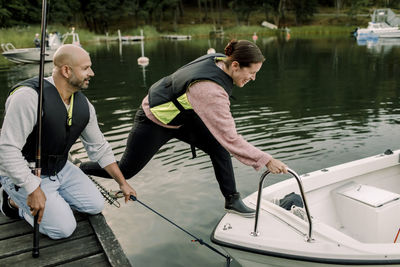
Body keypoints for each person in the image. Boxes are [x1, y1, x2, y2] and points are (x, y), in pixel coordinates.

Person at [79, 39, 288, 218]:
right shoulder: (210, 91)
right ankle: (81, 168)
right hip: (154, 120)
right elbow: (231, 138)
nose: (253, 78)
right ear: (234, 65)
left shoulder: (217, 59)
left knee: (218, 148)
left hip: (183, 116)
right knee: (126, 170)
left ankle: (232, 200)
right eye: (251, 72)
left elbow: (223, 138)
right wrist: (266, 159)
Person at [0, 44, 137, 239]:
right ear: (66, 70)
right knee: (63, 229)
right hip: (24, 172)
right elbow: (7, 150)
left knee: (95, 205)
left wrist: (122, 183)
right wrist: (32, 188)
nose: (92, 72)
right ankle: (11, 202)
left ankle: (49, 197)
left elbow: (99, 148)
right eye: (85, 68)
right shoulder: (28, 97)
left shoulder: (84, 105)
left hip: (60, 168)